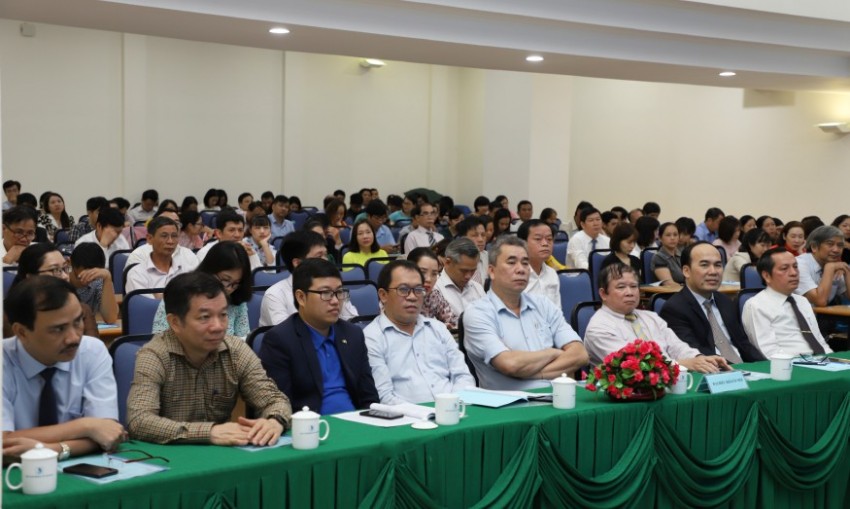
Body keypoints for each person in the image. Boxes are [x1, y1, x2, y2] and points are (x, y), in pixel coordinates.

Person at [127, 272, 291, 445]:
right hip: (168, 455)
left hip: (223, 455)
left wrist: (274, 421)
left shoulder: (235, 350)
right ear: (175, 322)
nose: (218, 327)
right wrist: (209, 432)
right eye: (205, 317)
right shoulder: (154, 356)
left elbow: (275, 400)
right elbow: (139, 421)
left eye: (223, 315)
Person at [3, 277, 125, 460]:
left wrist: (50, 449)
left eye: (77, 322)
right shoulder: (4, 361)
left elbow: (107, 434)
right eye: (58, 329)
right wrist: (85, 426)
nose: (73, 338)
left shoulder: (92, 351)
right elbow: (4, 442)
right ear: (21, 332)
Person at [463, 236, 588, 390]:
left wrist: (537, 373)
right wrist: (553, 353)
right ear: (492, 271)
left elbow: (580, 354)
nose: (521, 269)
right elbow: (509, 364)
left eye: (525, 263)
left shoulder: (543, 305)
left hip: (557, 395)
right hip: (511, 402)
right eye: (511, 262)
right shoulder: (478, 313)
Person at [259, 259, 379, 414]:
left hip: (357, 421)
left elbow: (369, 397)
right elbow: (279, 405)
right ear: (301, 297)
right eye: (326, 293)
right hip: (312, 424)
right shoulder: (280, 340)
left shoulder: (353, 334)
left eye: (339, 292)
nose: (335, 301)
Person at [364, 260, 475, 405]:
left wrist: (450, 406)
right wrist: (430, 413)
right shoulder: (371, 337)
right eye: (403, 289)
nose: (412, 297)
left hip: (454, 410)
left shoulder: (438, 329)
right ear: (383, 295)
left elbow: (463, 376)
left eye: (418, 290)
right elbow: (384, 397)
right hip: (407, 416)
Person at [584, 264, 730, 373]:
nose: (630, 292)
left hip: (670, 381)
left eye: (634, 286)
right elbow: (635, 366)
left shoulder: (650, 317)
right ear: (603, 294)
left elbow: (676, 346)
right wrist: (685, 364)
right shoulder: (599, 327)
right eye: (621, 287)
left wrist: (699, 358)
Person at [659, 242, 765, 363]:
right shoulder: (675, 309)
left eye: (718, 265)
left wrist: (765, 365)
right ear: (686, 271)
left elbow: (743, 344)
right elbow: (693, 353)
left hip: (743, 367)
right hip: (714, 369)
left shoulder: (725, 301)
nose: (713, 271)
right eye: (704, 265)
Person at [743, 248, 832, 357]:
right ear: (766, 276)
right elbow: (768, 353)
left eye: (795, 267)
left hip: (820, 361)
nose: (794, 273)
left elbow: (820, 341)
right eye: (784, 268)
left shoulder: (802, 301)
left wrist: (832, 359)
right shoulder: (756, 305)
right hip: (788, 364)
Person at [151, 241, 252, 338]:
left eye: (236, 283)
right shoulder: (178, 294)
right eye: (225, 280)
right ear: (209, 271)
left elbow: (243, 339)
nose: (229, 289)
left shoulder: (237, 299)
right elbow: (160, 338)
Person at [259, 231, 359, 327]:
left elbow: (353, 321)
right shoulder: (275, 295)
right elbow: (286, 335)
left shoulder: (334, 288)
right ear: (297, 263)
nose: (326, 261)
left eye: (326, 255)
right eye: (319, 256)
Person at [7, 243, 101, 339]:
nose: (65, 276)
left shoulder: (82, 309)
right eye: (55, 270)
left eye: (65, 268)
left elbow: (92, 346)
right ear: (31, 277)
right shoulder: (10, 315)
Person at [125, 216, 199, 296]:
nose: (170, 241)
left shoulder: (188, 271)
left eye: (174, 236)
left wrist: (159, 297)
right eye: (164, 236)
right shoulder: (137, 273)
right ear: (150, 238)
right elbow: (144, 303)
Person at [795, 225, 850, 307]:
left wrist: (847, 272)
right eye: (830, 244)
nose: (836, 250)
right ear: (814, 247)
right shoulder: (799, 265)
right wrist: (829, 269)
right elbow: (820, 301)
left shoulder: (834, 265)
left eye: (840, 245)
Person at [407, 247, 458, 329]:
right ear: (408, 270)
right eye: (423, 272)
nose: (429, 279)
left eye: (434, 274)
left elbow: (453, 321)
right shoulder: (397, 295)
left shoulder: (433, 295)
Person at [69, 243, 119, 324]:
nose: (90, 275)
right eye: (86, 270)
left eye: (94, 271)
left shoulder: (99, 281)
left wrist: (107, 278)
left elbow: (111, 319)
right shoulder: (62, 281)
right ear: (72, 263)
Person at [434, 237, 486, 317]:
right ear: (448, 262)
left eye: (473, 271)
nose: (468, 276)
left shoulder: (477, 288)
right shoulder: (434, 289)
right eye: (463, 271)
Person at [196, 210, 262, 270]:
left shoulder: (247, 249)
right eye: (231, 230)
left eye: (240, 230)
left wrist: (252, 256)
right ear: (219, 233)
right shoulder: (205, 253)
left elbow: (258, 275)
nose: (237, 235)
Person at [517, 219, 560, 306]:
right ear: (523, 243)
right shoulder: (514, 276)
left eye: (549, 239)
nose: (545, 243)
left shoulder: (552, 274)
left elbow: (557, 311)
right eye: (538, 239)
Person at [456, 216, 488, 285]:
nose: (481, 239)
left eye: (483, 235)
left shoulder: (489, 257)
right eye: (475, 235)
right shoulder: (455, 259)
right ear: (463, 238)